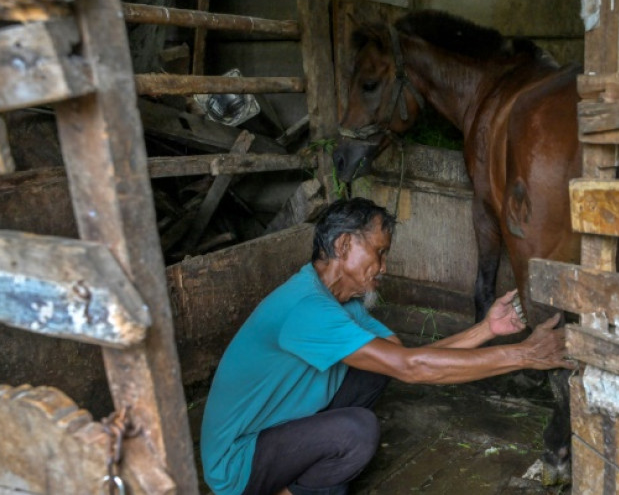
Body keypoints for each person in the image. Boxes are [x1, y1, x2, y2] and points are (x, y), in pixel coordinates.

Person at [200, 197, 574, 495]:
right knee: (357, 432)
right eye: (379, 252)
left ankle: (299, 471)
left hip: (277, 429)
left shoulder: (341, 300)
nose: (384, 267)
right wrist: (526, 354)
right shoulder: (307, 307)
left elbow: (403, 358)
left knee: (374, 373)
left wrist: (486, 330)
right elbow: (411, 367)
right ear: (344, 245)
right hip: (238, 463)